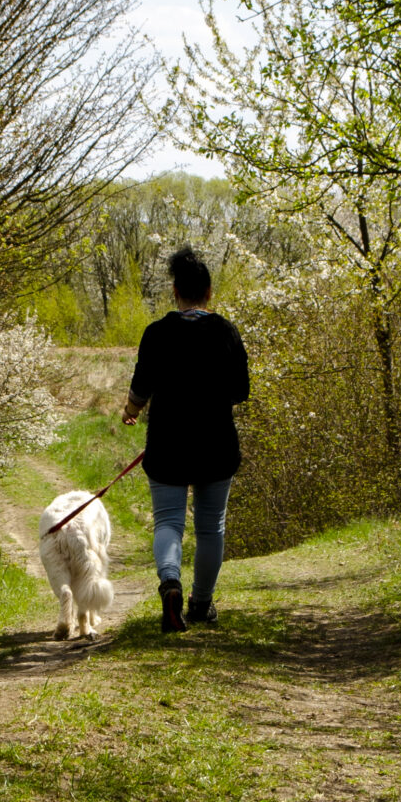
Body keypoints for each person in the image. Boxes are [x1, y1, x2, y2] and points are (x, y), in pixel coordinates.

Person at [120, 246, 251, 633]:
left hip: (168, 445)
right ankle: (200, 605)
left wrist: (131, 410)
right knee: (211, 528)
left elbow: (141, 386)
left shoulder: (157, 333)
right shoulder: (226, 332)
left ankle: (170, 584)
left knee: (169, 522)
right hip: (216, 445)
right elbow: (241, 390)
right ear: (209, 292)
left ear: (175, 291)